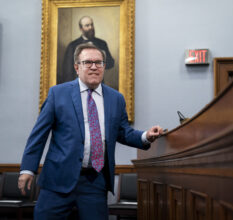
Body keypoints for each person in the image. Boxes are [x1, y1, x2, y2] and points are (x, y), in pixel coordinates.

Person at [18, 43, 163, 219]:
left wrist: (145, 136)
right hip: (58, 179)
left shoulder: (115, 98)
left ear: (104, 67)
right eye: (88, 62)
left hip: (95, 181)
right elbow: (38, 136)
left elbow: (123, 132)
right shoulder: (58, 94)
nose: (94, 67)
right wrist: (27, 169)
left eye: (99, 62)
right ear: (76, 67)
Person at [58, 16, 115, 84]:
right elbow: (67, 72)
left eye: (92, 24)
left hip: (98, 85)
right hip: (78, 85)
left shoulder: (102, 44)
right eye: (87, 25)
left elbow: (110, 64)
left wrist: (104, 58)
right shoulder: (72, 46)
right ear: (81, 28)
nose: (91, 27)